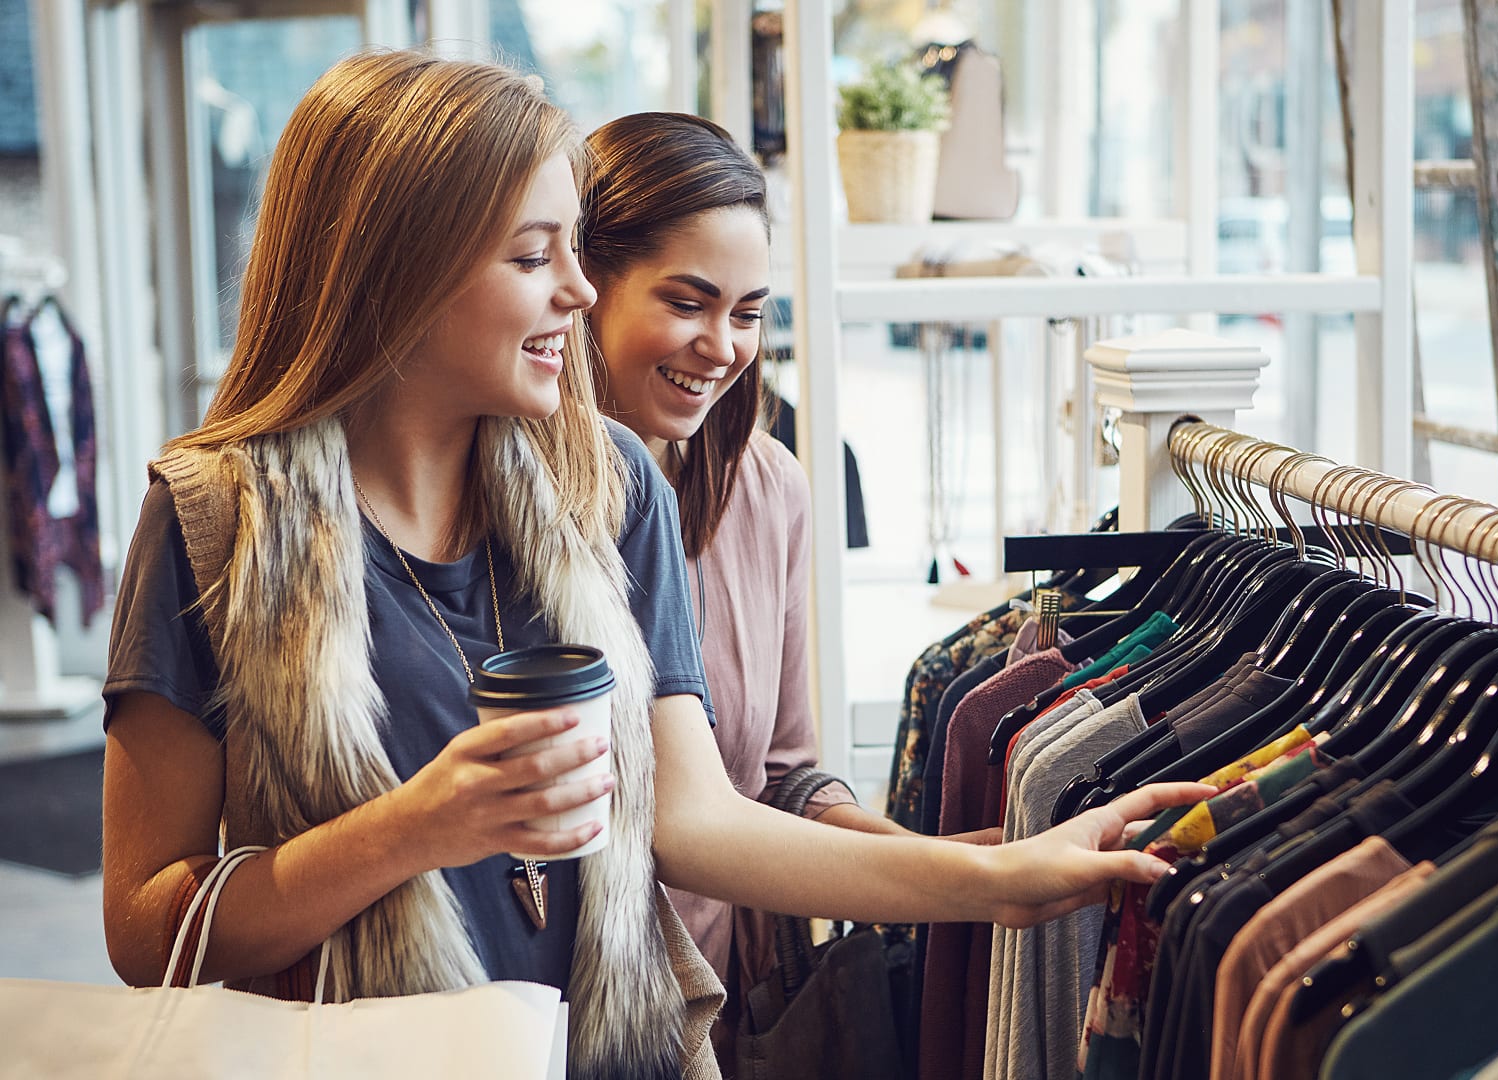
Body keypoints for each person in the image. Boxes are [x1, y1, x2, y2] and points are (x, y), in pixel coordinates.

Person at [98, 50, 1204, 1080]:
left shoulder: (609, 487)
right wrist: (413, 829)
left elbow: (701, 821)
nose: (577, 293)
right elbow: (147, 933)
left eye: (574, 251)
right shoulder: (214, 522)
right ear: (399, 269)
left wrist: (1000, 882)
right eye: (535, 256)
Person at [577, 110, 945, 1029]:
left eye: (747, 314)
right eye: (686, 301)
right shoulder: (498, 499)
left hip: (709, 1006)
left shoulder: (767, 489)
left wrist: (928, 855)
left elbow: (782, 774)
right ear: (586, 285)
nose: (724, 347)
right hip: (538, 1005)